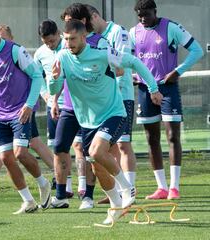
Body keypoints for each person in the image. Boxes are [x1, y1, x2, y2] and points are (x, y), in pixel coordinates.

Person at [49, 19, 162, 224]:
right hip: (88, 121)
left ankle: (127, 187)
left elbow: (135, 62)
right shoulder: (63, 57)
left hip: (114, 113)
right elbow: (53, 90)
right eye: (66, 39)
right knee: (97, 167)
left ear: (84, 37)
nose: (69, 43)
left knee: (95, 151)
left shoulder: (102, 54)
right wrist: (54, 78)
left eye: (73, 39)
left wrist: (153, 88)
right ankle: (116, 206)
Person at [0, 17, 51, 214]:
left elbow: (37, 76)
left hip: (20, 112)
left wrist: (29, 105)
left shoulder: (16, 51)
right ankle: (28, 201)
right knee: (6, 158)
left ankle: (43, 183)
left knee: (20, 153)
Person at [130, 0, 204, 200]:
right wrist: (133, 75)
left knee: (172, 136)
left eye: (146, 14)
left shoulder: (171, 27)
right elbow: (128, 59)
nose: (143, 19)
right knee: (151, 139)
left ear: (155, 11)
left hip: (167, 87)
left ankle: (174, 187)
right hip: (145, 90)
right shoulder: (133, 32)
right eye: (139, 15)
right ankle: (161, 188)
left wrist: (178, 71)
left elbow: (198, 50)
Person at [34, 19, 93, 210]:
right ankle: (62, 193)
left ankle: (86, 191)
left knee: (85, 148)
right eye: (45, 42)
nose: (49, 45)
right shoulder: (41, 54)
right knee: (59, 147)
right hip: (60, 106)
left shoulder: (72, 49)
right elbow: (40, 78)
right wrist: (49, 97)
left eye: (52, 41)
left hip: (84, 105)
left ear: (59, 34)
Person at [85, 4, 137, 205]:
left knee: (123, 144)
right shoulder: (94, 39)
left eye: (88, 22)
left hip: (122, 95)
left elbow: (122, 63)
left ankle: (129, 188)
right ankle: (118, 189)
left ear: (95, 16)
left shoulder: (119, 32)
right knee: (108, 146)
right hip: (105, 98)